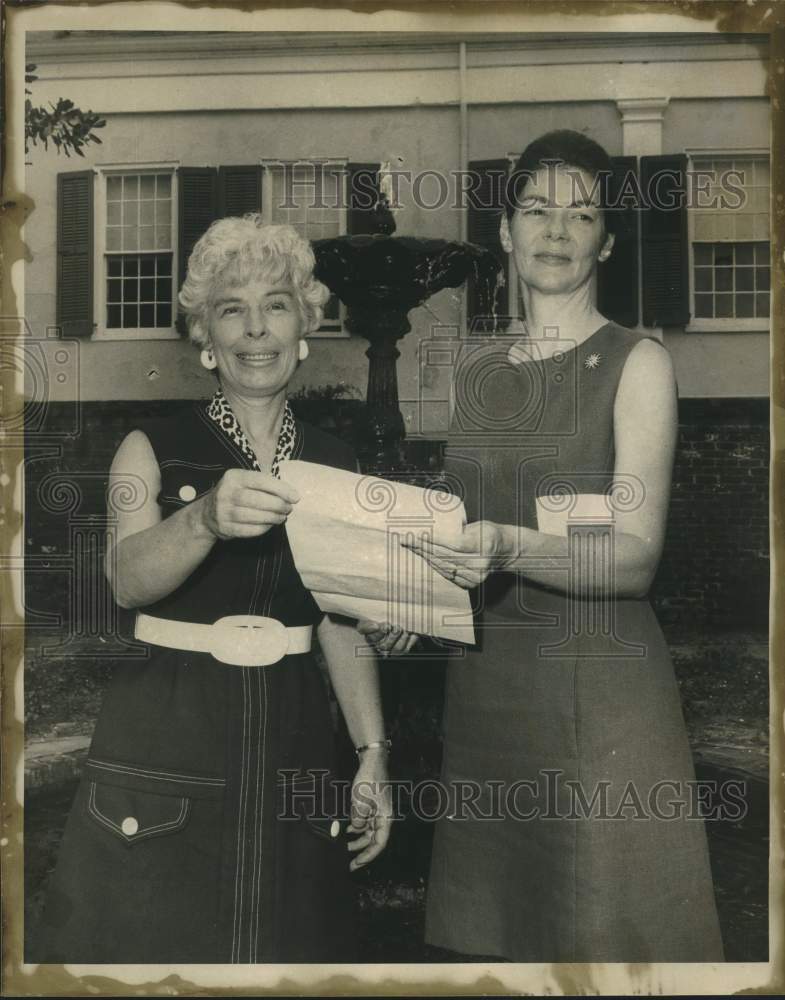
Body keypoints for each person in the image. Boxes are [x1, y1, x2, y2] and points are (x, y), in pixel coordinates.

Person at [361, 131, 724, 962]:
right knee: (504, 952)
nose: (555, 230)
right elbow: (462, 534)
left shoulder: (637, 364)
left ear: (606, 239)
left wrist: (503, 548)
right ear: (503, 232)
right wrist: (408, 608)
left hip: (600, 702)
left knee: (604, 948)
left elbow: (632, 557)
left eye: (580, 212)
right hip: (490, 701)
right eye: (535, 210)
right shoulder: (478, 373)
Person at [36, 219, 391, 964]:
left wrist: (371, 752)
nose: (256, 328)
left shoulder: (338, 462)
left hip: (295, 731)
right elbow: (124, 581)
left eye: (278, 305)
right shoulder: (148, 447)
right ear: (205, 336)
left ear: (305, 328)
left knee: (291, 955)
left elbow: (340, 622)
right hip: (166, 728)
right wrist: (201, 518)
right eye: (232, 308)